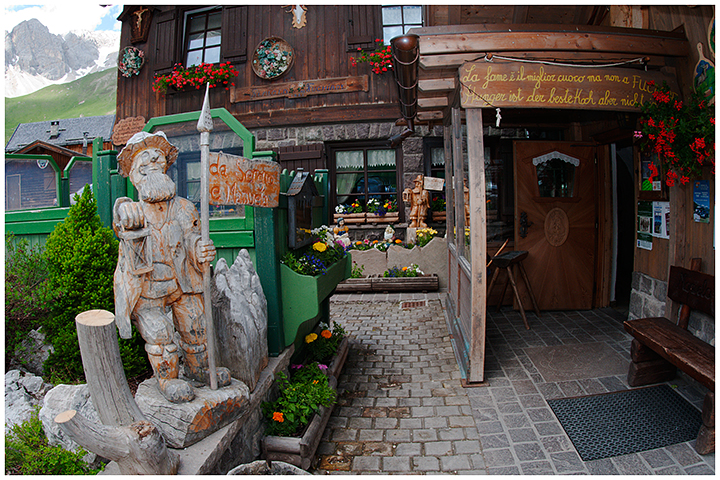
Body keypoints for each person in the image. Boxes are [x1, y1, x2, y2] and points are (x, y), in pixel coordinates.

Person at [113, 131, 230, 403]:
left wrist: (200, 248)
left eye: (158, 163)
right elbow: (122, 221)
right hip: (148, 290)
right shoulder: (133, 210)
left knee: (197, 327)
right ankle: (168, 379)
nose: (153, 169)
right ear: (134, 176)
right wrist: (122, 211)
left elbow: (191, 237)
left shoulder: (185, 208)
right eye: (144, 167)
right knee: (160, 334)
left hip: (183, 284)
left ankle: (200, 369)